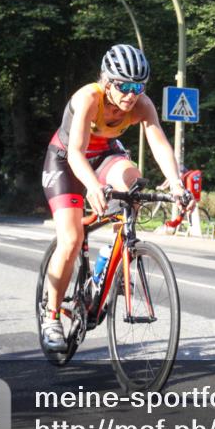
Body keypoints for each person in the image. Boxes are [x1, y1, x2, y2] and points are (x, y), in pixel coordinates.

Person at [40, 44, 191, 351]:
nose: (130, 94)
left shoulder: (142, 105)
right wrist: (93, 186)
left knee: (134, 184)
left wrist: (176, 183)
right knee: (70, 239)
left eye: (138, 87)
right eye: (123, 86)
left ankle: (113, 259)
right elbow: (76, 154)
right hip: (67, 159)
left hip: (106, 154)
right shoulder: (88, 98)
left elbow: (159, 143)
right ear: (107, 81)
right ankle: (51, 315)